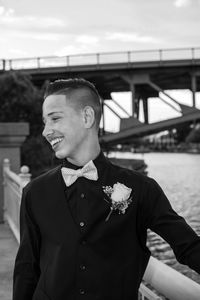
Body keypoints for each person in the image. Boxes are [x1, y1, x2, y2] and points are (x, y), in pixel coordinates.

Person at [13, 78, 200, 300]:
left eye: (55, 119)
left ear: (87, 117)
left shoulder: (141, 189)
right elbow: (26, 268)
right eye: (45, 122)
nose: (46, 131)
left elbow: (189, 247)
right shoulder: (34, 192)